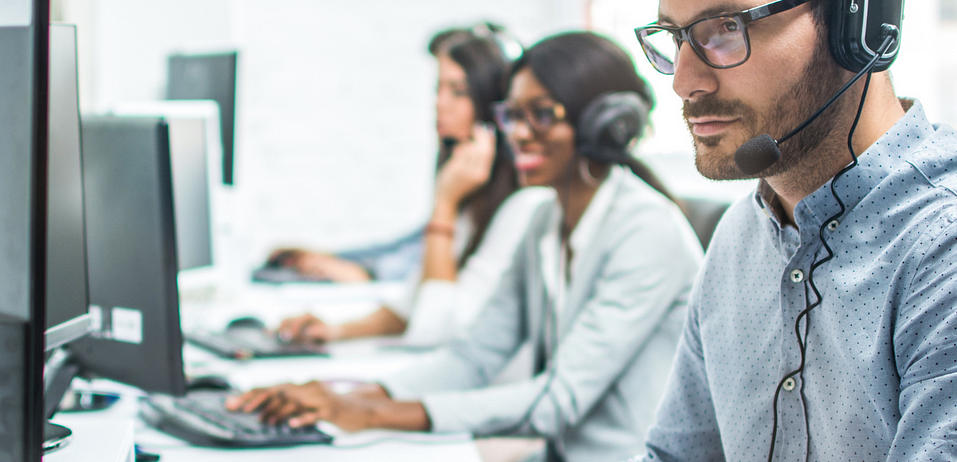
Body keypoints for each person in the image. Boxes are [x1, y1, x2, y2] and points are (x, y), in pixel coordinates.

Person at [631, 0, 957, 460]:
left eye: (726, 28)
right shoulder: (742, 236)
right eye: (675, 37)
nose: (683, 80)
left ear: (857, 23)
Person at [229, 32, 704, 462]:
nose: (518, 133)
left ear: (605, 124)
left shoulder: (646, 231)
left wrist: (370, 413)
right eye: (512, 115)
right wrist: (351, 392)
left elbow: (557, 401)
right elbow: (473, 356)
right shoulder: (544, 219)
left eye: (541, 114)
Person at [275, 26, 554, 346]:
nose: (439, 104)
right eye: (438, 89)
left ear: (493, 104)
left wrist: (444, 205)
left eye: (458, 92)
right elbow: (412, 303)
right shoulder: (475, 193)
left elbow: (435, 329)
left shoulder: (523, 205)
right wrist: (336, 331)